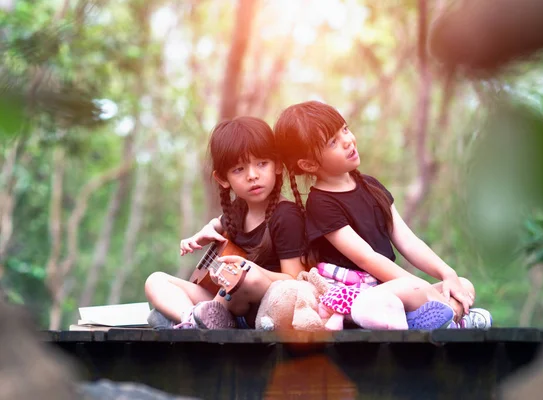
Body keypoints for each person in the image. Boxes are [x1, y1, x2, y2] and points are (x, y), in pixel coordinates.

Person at [273, 100, 492, 330]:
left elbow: (407, 241)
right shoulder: (320, 203)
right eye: (333, 142)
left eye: (345, 129)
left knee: (463, 284)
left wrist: (448, 274)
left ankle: (438, 317)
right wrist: (420, 287)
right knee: (413, 289)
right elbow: (366, 258)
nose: (348, 141)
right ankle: (452, 318)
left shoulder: (370, 185)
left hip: (389, 287)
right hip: (357, 292)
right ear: (308, 164)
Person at [145, 116, 306, 329]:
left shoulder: (286, 216)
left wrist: (250, 269)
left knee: (247, 278)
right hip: (222, 302)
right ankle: (192, 319)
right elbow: (218, 223)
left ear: (277, 165)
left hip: (259, 308)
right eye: (239, 169)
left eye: (261, 164)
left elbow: (293, 281)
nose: (252, 175)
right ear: (223, 179)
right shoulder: (238, 210)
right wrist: (202, 233)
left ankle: (193, 318)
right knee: (155, 280)